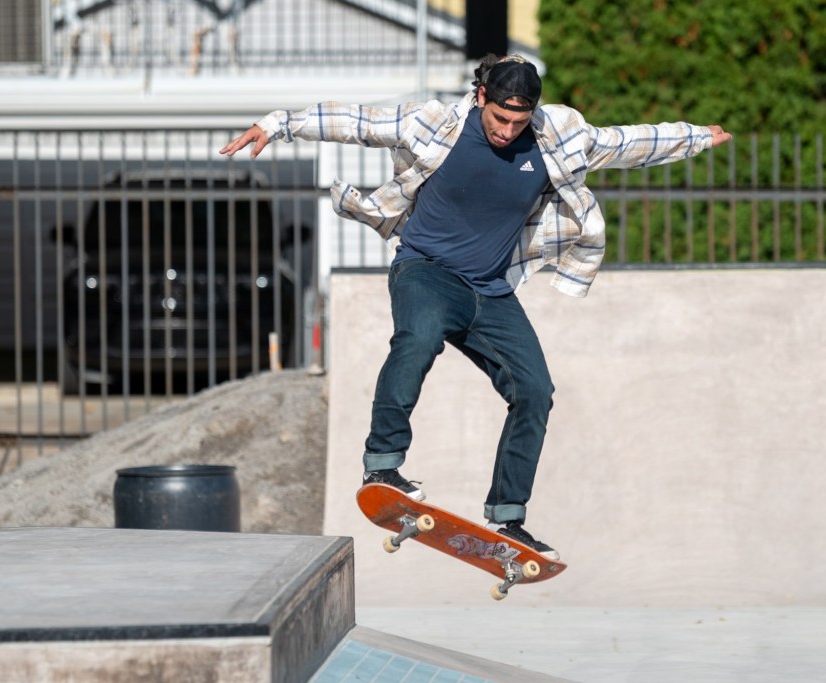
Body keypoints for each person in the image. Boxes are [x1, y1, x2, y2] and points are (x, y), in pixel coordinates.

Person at [221, 54, 731, 560]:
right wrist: (277, 125)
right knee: (418, 339)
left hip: (490, 291)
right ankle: (382, 464)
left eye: (518, 122)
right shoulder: (433, 123)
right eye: (499, 118)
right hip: (425, 270)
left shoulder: (558, 136)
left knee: (535, 391)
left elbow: (623, 143)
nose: (507, 132)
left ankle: (508, 517)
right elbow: (357, 121)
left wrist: (694, 137)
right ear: (481, 96)